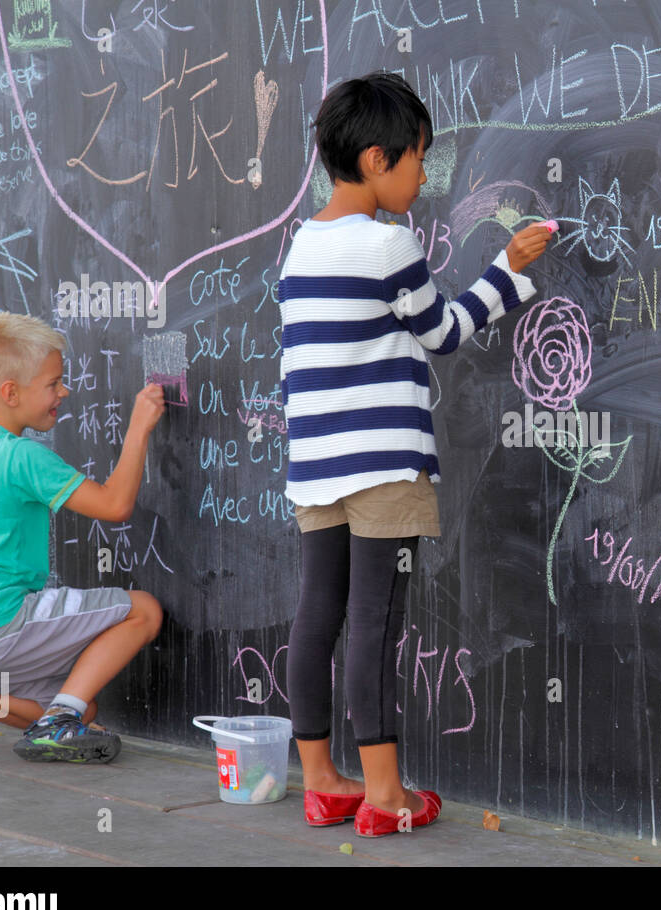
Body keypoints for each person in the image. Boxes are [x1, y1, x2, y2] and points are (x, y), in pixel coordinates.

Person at [278, 71, 552, 836]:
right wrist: (508, 271)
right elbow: (444, 333)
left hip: (316, 466)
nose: (423, 177)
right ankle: (386, 795)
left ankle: (323, 780)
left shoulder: (300, 247)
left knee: (317, 615)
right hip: (384, 466)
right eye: (418, 160)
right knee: (376, 620)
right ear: (375, 160)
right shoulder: (389, 243)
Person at [0, 312, 165, 763]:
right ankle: (58, 721)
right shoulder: (20, 456)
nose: (63, 392)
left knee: (88, 708)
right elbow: (114, 505)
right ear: (11, 392)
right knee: (143, 611)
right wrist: (139, 427)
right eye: (53, 383)